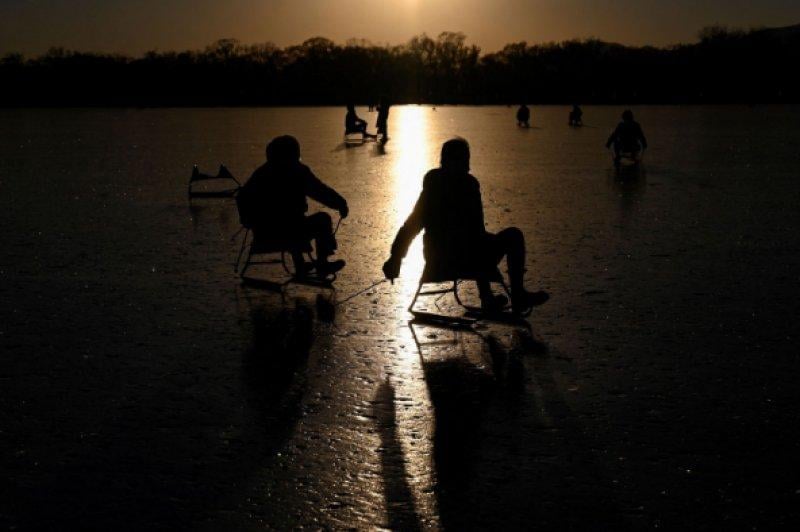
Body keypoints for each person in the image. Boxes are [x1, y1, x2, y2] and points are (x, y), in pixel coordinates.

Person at [382, 138, 549, 315]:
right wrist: (395, 258)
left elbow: (412, 225)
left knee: (475, 242)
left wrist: (395, 257)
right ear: (455, 161)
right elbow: (476, 234)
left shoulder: (433, 187)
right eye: (464, 160)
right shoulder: (467, 185)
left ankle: (489, 298)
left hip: (439, 258)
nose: (467, 166)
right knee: (512, 236)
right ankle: (512, 296)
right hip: (460, 259)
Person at [238, 135, 349, 276]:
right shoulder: (298, 171)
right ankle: (322, 264)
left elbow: (242, 197)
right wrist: (340, 203)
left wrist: (248, 220)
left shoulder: (261, 173)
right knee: (322, 219)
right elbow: (319, 191)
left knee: (294, 218)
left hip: (266, 233)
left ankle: (300, 264)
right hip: (287, 232)